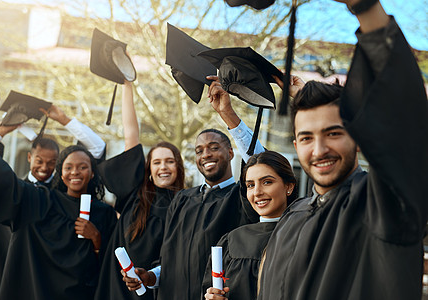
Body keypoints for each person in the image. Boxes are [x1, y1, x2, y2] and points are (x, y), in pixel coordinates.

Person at [218, 0, 426, 299]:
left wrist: (364, 7)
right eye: (306, 137)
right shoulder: (293, 216)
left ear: (357, 135)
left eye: (333, 133)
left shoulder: (382, 204)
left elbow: (403, 120)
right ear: (295, 145)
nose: (319, 149)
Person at [0, 111, 113, 300]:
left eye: (83, 167)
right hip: (41, 289)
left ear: (92, 173)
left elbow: (111, 268)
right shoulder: (43, 200)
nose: (75, 172)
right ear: (61, 172)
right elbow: (6, 181)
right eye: (68, 167)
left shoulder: (103, 213)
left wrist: (97, 239)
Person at [122, 124, 263, 300]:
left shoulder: (240, 198)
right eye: (199, 151)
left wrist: (229, 116)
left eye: (214, 148)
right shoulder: (182, 199)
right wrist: (149, 277)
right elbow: (168, 259)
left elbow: (258, 161)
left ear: (231, 153)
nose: (206, 155)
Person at [94, 78, 185, 300]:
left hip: (156, 291)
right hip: (116, 288)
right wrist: (127, 84)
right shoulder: (135, 192)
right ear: (149, 169)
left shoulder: (186, 204)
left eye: (169, 161)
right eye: (157, 162)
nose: (163, 167)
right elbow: (131, 134)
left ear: (178, 167)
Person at [202, 150, 297, 300]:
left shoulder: (303, 235)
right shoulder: (232, 241)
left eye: (267, 182)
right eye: (250, 185)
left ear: (289, 187)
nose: (257, 192)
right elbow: (208, 290)